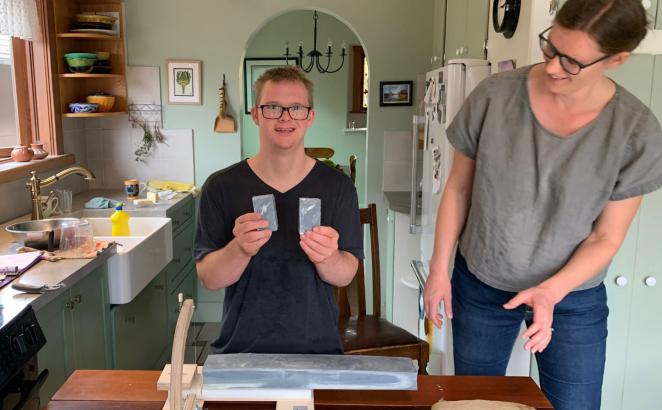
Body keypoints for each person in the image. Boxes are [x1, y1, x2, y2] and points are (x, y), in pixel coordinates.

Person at [422, 0, 662, 408]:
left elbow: (607, 236)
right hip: (481, 281)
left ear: (616, 60)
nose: (552, 66)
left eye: (572, 62)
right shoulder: (495, 96)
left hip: (573, 296)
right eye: (551, 47)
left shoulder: (636, 131)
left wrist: (551, 292)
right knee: (477, 403)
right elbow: (459, 189)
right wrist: (438, 269)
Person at [194, 66, 363, 355]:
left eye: (296, 107)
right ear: (256, 114)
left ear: (310, 116)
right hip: (240, 349)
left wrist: (328, 257)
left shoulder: (338, 187)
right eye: (273, 107)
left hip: (318, 349)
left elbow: (345, 275)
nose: (285, 117)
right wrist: (240, 248)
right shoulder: (220, 186)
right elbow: (210, 279)